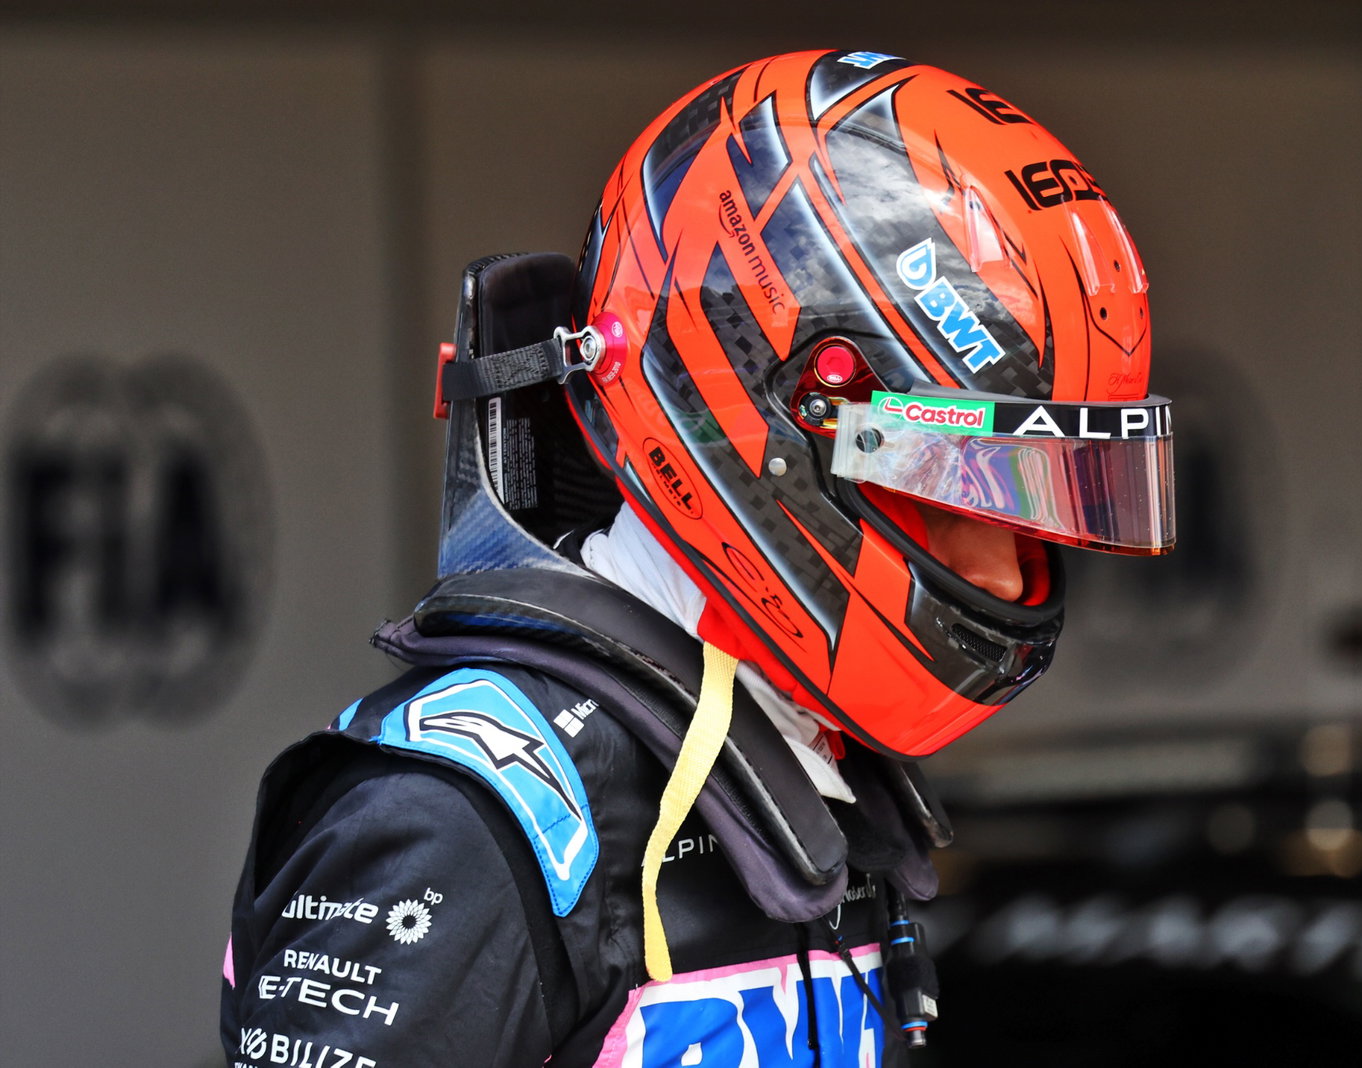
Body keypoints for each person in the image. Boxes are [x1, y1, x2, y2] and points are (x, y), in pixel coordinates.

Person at [221, 49, 1173, 1067]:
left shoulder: (800, 760)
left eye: (1033, 508)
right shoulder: (469, 819)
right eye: (959, 490)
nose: (1006, 573)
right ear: (778, 425)